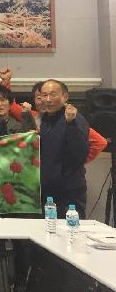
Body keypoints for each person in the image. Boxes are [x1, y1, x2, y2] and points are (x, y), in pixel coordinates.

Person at [38, 79, 89, 217]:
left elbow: (81, 153)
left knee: (70, 227)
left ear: (65, 96)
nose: (48, 99)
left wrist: (71, 124)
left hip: (69, 192)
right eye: (44, 95)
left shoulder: (74, 119)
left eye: (53, 94)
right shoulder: (45, 119)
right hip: (47, 190)